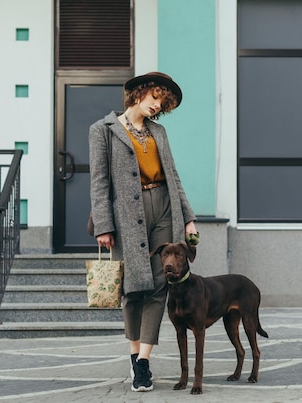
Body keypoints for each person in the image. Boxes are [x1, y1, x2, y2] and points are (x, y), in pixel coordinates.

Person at [88, 72, 198, 392]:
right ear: (140, 93)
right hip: (126, 216)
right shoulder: (103, 130)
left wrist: (188, 218)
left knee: (160, 284)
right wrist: (104, 225)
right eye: (155, 99)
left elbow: (173, 176)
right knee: (133, 289)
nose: (157, 107)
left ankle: (145, 362)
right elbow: (99, 182)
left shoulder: (159, 132)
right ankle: (134, 355)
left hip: (164, 208)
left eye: (162, 105)